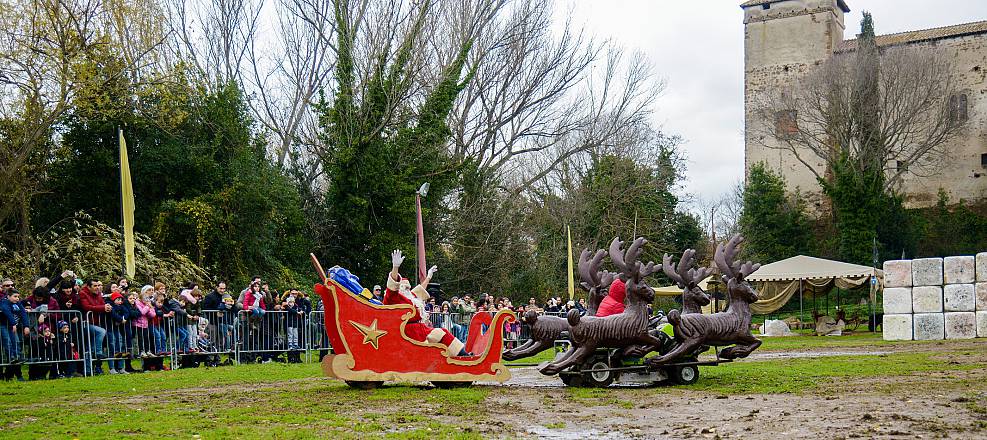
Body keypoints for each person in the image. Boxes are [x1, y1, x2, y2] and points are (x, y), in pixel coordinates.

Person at [383, 250, 470, 357]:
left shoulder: (408, 296)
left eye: (409, 287)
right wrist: (395, 268)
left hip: (419, 330)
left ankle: (462, 355)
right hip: (408, 333)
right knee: (428, 349)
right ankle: (458, 358)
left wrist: (428, 277)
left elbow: (420, 290)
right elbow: (392, 286)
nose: (409, 289)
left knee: (442, 333)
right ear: (399, 287)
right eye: (406, 287)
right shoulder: (393, 298)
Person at [78, 279, 108, 374]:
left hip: (95, 323)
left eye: (98, 285)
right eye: (95, 286)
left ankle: (88, 370)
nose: (97, 288)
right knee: (101, 331)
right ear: (89, 287)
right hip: (85, 323)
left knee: (89, 347)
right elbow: (86, 307)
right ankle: (98, 352)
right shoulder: (83, 293)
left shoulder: (98, 294)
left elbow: (101, 304)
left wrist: (107, 307)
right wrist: (102, 308)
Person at [0, 290, 30, 380]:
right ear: (8, 296)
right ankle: (12, 357)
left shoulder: (18, 303)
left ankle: (17, 357)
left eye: (18, 297)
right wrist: (13, 323)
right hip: (4, 325)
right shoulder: (4, 302)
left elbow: (23, 313)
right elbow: (7, 312)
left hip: (12, 326)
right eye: (15, 296)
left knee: (16, 341)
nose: (17, 298)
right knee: (7, 341)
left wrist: (26, 326)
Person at [107, 292, 129, 374]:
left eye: (121, 300)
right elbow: (113, 314)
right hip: (110, 328)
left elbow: (127, 312)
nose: (120, 301)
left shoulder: (122, 307)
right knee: (112, 346)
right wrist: (120, 319)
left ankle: (120, 367)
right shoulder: (110, 306)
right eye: (118, 299)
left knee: (120, 346)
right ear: (113, 300)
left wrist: (123, 319)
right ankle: (111, 368)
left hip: (117, 329)